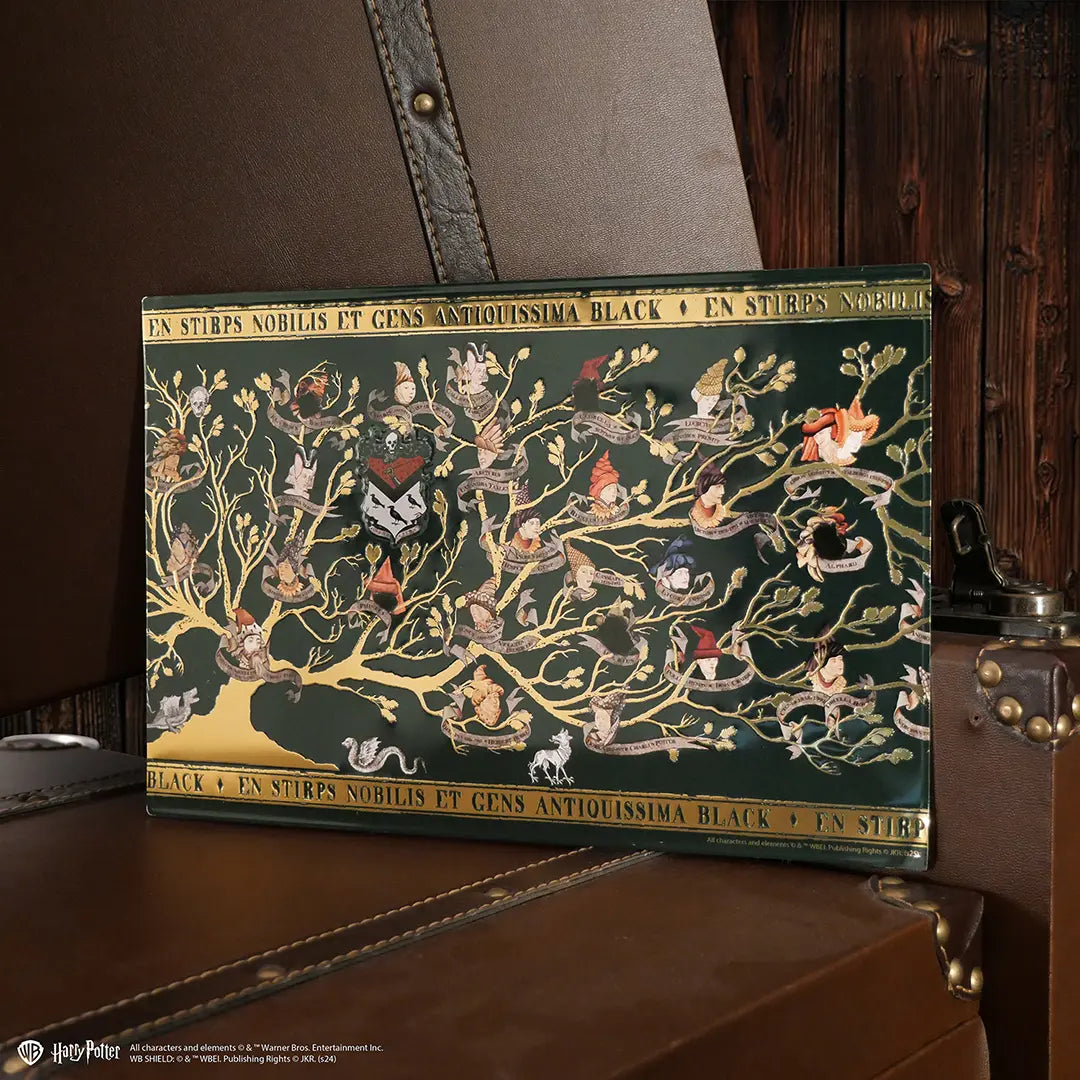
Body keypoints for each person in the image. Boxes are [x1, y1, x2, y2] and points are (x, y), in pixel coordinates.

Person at [800, 397, 880, 466]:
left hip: (835, 448)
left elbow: (809, 428)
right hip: (833, 447)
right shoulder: (830, 416)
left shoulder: (831, 416)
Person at [689, 464, 727, 530]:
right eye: (718, 487)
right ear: (704, 487)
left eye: (722, 487)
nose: (723, 492)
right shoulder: (693, 512)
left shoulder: (724, 511)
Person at [588, 451, 623, 518]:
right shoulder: (591, 512)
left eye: (615, 489)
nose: (614, 492)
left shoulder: (617, 509)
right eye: (609, 489)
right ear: (600, 492)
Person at [510, 482, 543, 553]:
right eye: (532, 523)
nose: (536, 526)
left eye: (538, 523)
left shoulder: (538, 543)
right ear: (523, 525)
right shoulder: (509, 542)